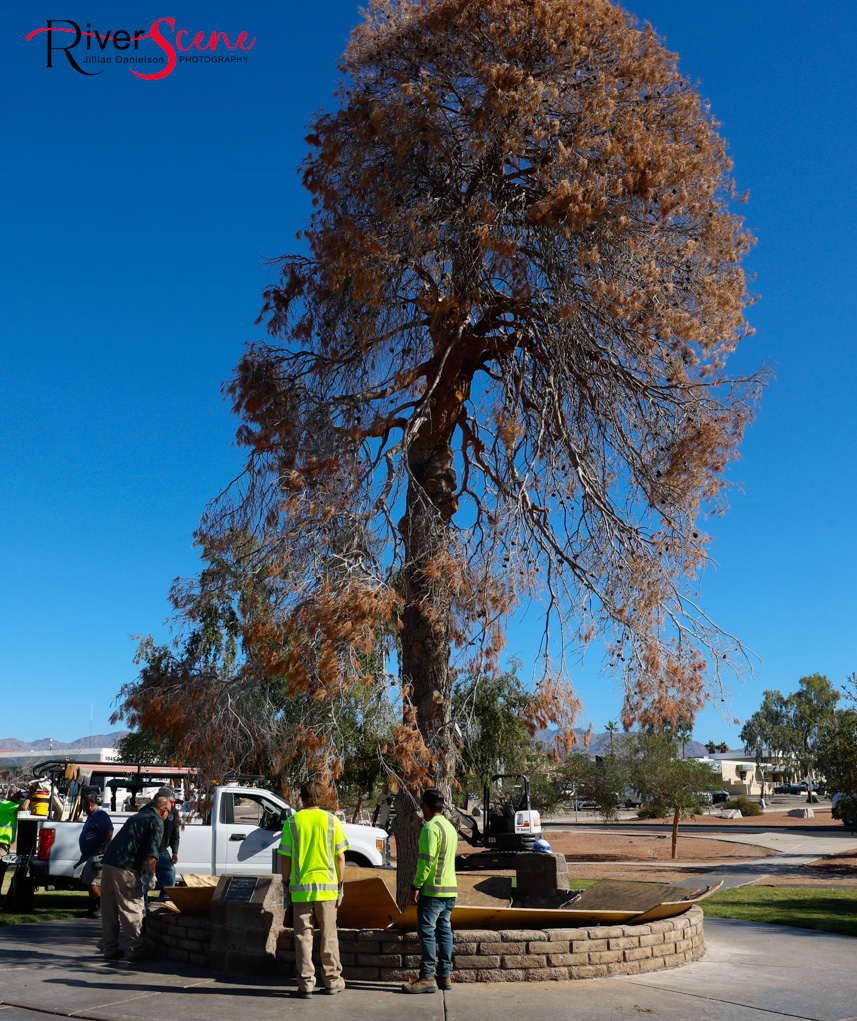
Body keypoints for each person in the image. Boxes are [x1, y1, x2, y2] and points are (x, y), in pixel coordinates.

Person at [278, 780, 349, 998]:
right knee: (329, 935)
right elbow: (340, 857)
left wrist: (286, 883)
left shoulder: (292, 822)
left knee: (303, 937)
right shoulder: (331, 820)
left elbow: (286, 858)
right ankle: (332, 981)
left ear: (302, 797)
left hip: (300, 890)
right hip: (327, 890)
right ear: (322, 796)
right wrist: (340, 885)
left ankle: (306, 984)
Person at [100, 793, 170, 961]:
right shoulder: (157, 821)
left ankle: (110, 949)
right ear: (164, 810)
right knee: (132, 908)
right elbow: (152, 854)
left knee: (109, 909)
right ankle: (136, 950)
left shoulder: (136, 816)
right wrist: (151, 876)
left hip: (108, 863)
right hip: (126, 867)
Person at [401, 788, 458, 994]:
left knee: (426, 933)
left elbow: (426, 862)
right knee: (444, 932)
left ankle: (427, 977)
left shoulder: (429, 829)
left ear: (425, 806)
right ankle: (445, 975)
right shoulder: (450, 828)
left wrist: (415, 886)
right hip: (450, 891)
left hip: (433, 892)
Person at [139, 787, 181, 906]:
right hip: (147, 853)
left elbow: (175, 834)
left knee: (168, 884)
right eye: (167, 801)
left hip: (163, 852)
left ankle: (162, 910)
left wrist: (175, 852)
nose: (169, 805)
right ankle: (144, 914)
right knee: (144, 885)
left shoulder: (173, 812)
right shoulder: (146, 811)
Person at [78, 792, 114, 917]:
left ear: (89, 804)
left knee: (92, 881)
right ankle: (93, 908)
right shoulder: (93, 815)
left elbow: (109, 830)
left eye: (83, 807)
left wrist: (103, 847)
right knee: (89, 881)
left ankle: (101, 906)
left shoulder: (100, 814)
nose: (83, 809)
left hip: (97, 855)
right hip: (90, 855)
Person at [0, 788, 31, 854]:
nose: (19, 800)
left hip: (4, 841)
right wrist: (31, 792)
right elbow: (24, 807)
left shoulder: (11, 803)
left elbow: (27, 803)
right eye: (18, 797)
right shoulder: (6, 804)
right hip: (1, 841)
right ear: (12, 795)